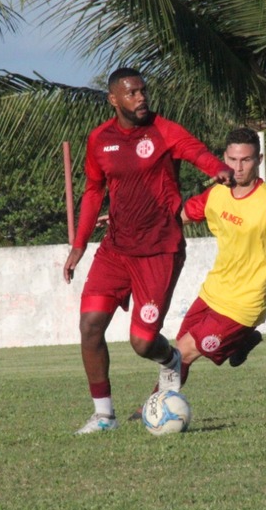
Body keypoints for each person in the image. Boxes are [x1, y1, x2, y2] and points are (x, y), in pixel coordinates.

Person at [63, 67, 233, 435]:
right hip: (116, 250)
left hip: (159, 251)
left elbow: (196, 152)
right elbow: (94, 192)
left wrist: (218, 168)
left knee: (142, 343)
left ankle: (170, 358)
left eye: (143, 91)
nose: (141, 98)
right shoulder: (99, 140)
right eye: (132, 93)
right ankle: (103, 415)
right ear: (114, 100)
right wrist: (79, 245)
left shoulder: (164, 130)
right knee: (90, 326)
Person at [132, 127, 266, 418]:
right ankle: (237, 344)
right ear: (223, 158)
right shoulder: (217, 193)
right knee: (177, 355)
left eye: (246, 160)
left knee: (184, 352)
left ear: (259, 159)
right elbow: (177, 216)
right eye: (232, 159)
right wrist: (128, 220)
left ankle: (151, 412)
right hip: (212, 292)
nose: (238, 167)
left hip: (244, 304)